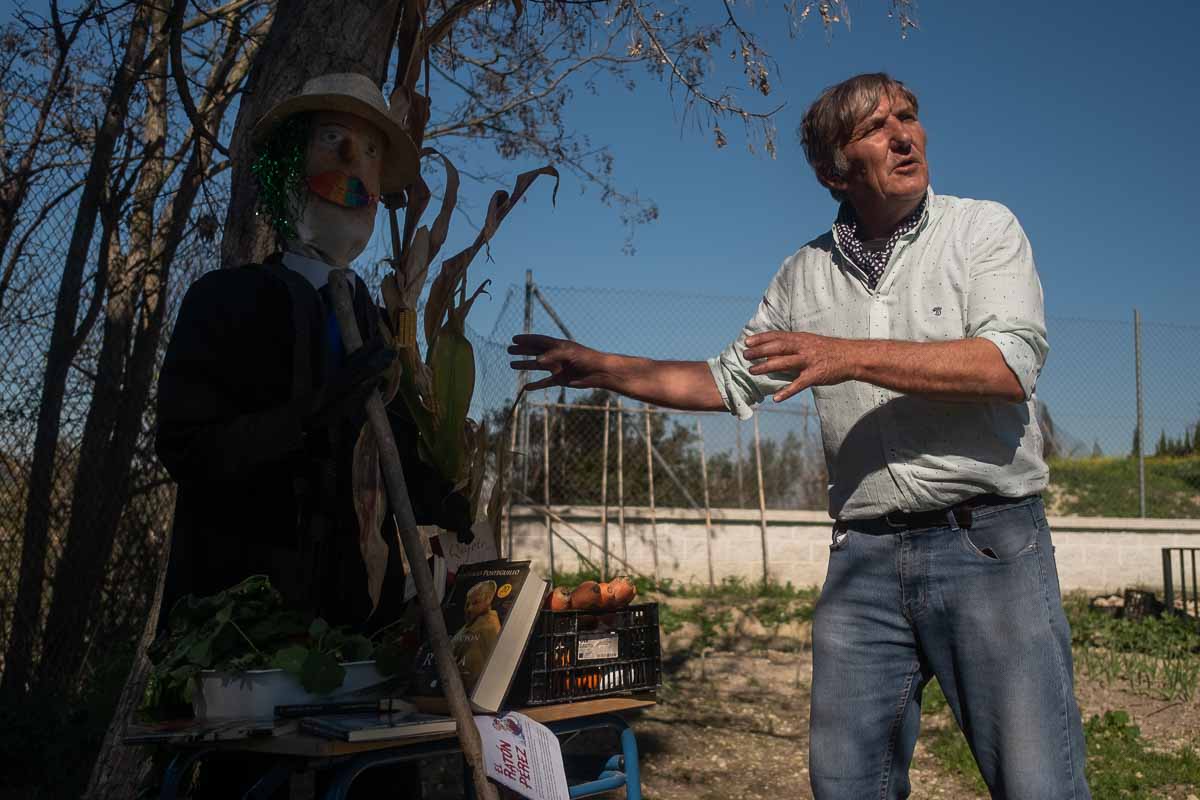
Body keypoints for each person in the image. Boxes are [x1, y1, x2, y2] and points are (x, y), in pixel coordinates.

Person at [509, 72, 1090, 799]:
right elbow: (724, 381)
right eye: (877, 129)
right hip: (865, 560)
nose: (904, 135)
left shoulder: (982, 230)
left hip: (988, 546)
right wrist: (607, 367)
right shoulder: (802, 275)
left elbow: (1007, 366)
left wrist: (843, 354)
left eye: (908, 117)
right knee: (846, 785)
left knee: (1038, 784)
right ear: (833, 171)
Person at [156, 72, 471, 634]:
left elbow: (385, 458)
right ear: (286, 163)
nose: (352, 160)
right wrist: (313, 415)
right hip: (242, 628)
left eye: (371, 152)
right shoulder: (228, 300)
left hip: (354, 626)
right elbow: (188, 447)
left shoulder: (378, 328)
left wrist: (437, 496)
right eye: (332, 139)